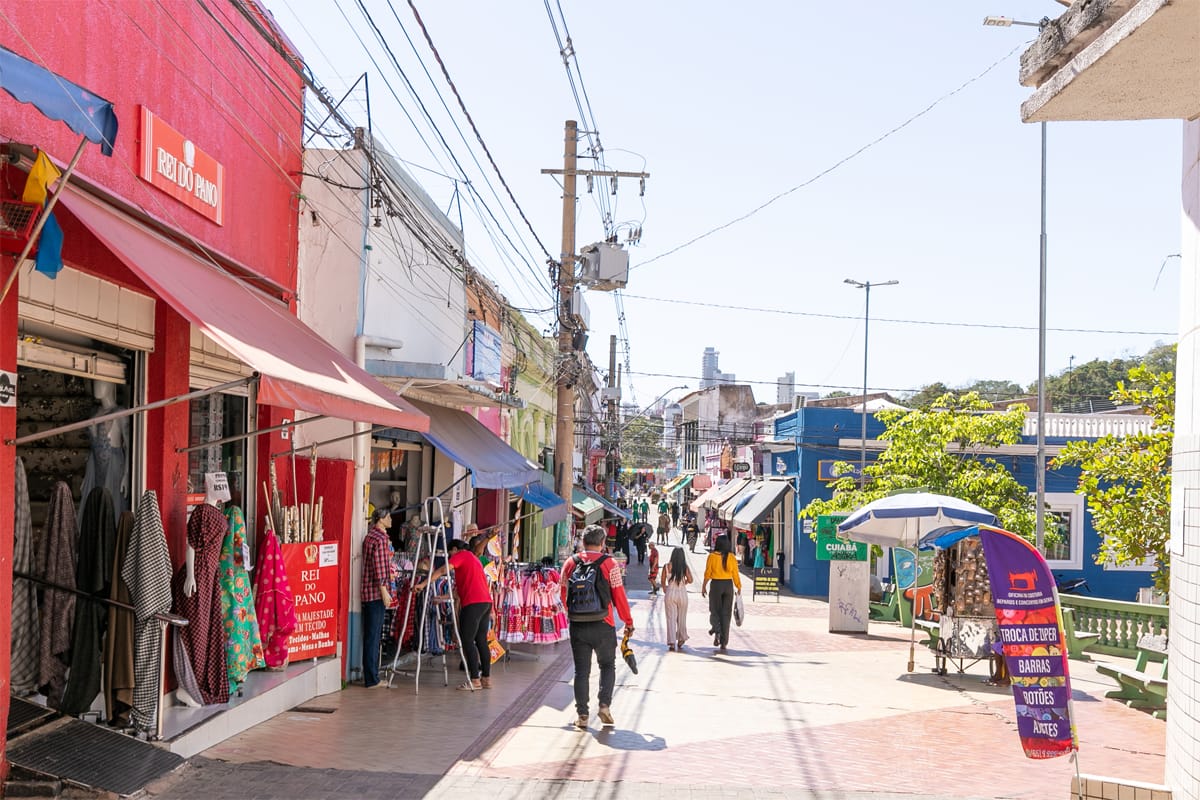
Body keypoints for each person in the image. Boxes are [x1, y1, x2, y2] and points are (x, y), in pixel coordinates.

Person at [561, 525, 633, 729]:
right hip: (604, 623)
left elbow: (562, 594)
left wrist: (572, 614)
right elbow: (619, 595)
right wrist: (628, 621)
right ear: (602, 543)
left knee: (581, 671)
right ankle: (604, 706)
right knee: (607, 665)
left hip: (578, 625)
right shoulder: (609, 564)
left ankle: (582, 715)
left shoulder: (570, 563)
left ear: (582, 542)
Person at [416, 538, 494, 690]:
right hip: (485, 603)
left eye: (450, 553)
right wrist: (442, 598)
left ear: (454, 550)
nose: (450, 557)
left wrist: (423, 584)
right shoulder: (473, 559)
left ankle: (474, 680)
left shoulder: (461, 555)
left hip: (473, 603)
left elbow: (442, 570)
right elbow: (458, 591)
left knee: (467, 641)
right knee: (481, 641)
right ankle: (486, 679)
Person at [360, 509, 395, 688]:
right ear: (381, 519)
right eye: (388, 517)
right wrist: (384, 591)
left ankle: (370, 674)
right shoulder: (380, 539)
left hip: (368, 592)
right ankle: (372, 678)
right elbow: (380, 568)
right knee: (373, 637)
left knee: (371, 636)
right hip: (375, 593)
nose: (390, 520)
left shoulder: (370, 536)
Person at [702, 535, 741, 654]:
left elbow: (708, 572)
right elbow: (735, 573)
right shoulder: (732, 557)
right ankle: (724, 642)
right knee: (726, 614)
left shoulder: (712, 556)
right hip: (728, 586)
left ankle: (717, 630)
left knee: (714, 610)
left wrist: (703, 586)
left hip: (716, 585)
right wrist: (738, 586)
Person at [661, 547, 693, 651]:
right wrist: (684, 583)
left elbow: (662, 581)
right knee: (682, 618)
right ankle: (681, 639)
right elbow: (691, 580)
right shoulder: (685, 567)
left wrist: (666, 588)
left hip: (670, 592)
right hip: (682, 593)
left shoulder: (666, 566)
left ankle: (671, 641)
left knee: (671, 618)